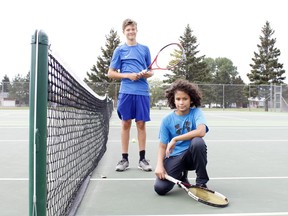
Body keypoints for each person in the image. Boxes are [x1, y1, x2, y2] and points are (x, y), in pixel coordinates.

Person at [108, 18, 154, 172]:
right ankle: (124, 159)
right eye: (128, 30)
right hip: (126, 92)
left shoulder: (145, 49)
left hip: (142, 92)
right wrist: (128, 75)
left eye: (133, 29)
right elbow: (111, 73)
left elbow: (151, 71)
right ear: (124, 32)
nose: (131, 32)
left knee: (141, 124)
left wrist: (143, 75)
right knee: (126, 123)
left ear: (136, 30)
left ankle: (142, 159)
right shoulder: (119, 50)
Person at [154, 79, 209, 195]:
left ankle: (201, 183)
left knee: (198, 142)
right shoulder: (166, 120)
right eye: (178, 99)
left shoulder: (196, 113)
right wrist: (159, 166)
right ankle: (181, 174)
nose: (181, 102)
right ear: (173, 100)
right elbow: (162, 146)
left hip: (191, 157)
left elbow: (201, 131)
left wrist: (175, 139)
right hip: (174, 157)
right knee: (160, 188)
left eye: (185, 99)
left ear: (191, 100)